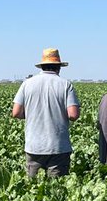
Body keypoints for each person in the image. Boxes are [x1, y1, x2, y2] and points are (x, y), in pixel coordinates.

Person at [11, 47, 80, 177]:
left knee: (32, 190)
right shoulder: (65, 84)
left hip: (34, 146)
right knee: (56, 190)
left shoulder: (27, 83)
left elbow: (16, 113)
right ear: (58, 67)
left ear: (42, 67)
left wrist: (33, 113)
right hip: (58, 146)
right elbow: (73, 115)